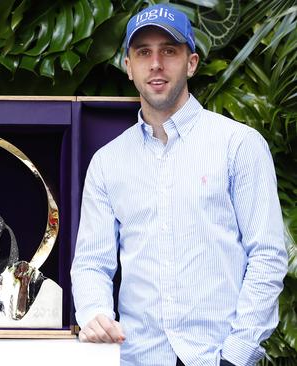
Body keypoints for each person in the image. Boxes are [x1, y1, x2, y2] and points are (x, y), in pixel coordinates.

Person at [70, 4, 287, 366]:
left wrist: (235, 356)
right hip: (136, 357)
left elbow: (267, 256)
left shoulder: (239, 145)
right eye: (143, 52)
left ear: (191, 63)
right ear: (128, 67)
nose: (156, 64)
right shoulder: (108, 162)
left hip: (214, 356)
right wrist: (94, 313)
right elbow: (92, 261)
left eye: (169, 51)